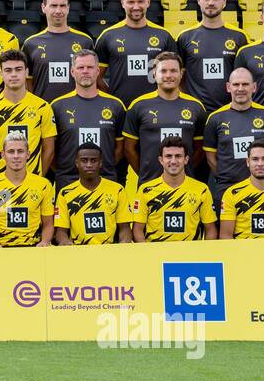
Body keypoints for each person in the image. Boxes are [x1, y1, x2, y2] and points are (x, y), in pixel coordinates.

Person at [203, 66, 264, 211]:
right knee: (225, 232)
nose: (240, 88)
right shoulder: (215, 118)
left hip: (261, 188)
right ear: (228, 87)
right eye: (236, 84)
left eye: (245, 84)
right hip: (227, 188)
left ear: (254, 87)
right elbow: (210, 158)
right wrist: (225, 176)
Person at [123, 51, 208, 185]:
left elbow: (200, 148)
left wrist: (185, 168)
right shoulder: (138, 105)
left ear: (181, 74)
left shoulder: (196, 107)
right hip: (149, 185)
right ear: (154, 74)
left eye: (173, 71)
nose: (168, 75)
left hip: (186, 185)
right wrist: (145, 173)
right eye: (163, 71)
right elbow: (129, 148)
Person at [50, 49, 127, 192]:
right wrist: (67, 169)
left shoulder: (115, 105)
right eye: (80, 68)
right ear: (72, 72)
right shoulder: (57, 106)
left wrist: (101, 168)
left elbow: (120, 148)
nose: (85, 71)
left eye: (90, 67)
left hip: (105, 182)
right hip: (68, 183)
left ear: (98, 71)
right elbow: (50, 150)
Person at [94, 0, 177, 110]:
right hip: (120, 109)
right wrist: (111, 95)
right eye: (131, 2)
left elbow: (177, 75)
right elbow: (95, 75)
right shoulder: (108, 35)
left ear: (148, 2)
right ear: (122, 3)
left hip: (157, 109)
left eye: (140, 2)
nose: (136, 6)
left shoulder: (164, 35)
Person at [0, 50, 56, 178]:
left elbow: (49, 149)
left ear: (27, 72)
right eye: (8, 70)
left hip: (33, 184)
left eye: (18, 69)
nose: (13, 74)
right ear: (1, 73)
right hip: (0, 186)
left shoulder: (42, 107)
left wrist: (38, 177)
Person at [176, 0, 250, 113]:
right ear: (199, 0)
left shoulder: (239, 37)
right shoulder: (185, 37)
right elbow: (180, 77)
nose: (211, 3)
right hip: (196, 112)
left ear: (224, 1)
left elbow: (245, 78)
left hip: (231, 112)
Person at [131, 137, 217, 242]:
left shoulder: (202, 189)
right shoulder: (145, 190)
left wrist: (203, 255)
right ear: (161, 160)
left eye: (178, 156)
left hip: (190, 256)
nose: (173, 161)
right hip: (156, 256)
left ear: (186, 160)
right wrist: (148, 255)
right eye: (168, 156)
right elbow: (137, 230)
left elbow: (210, 229)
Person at [0, 133, 54, 248]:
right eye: (11, 151)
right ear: (3, 155)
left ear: (28, 154)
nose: (16, 156)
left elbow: (48, 224)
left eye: (20, 151)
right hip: (0, 249)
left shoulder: (44, 185)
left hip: (33, 248)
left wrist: (45, 241)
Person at [22, 0, 95, 103]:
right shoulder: (31, 44)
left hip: (77, 110)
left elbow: (92, 79)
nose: (58, 11)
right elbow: (27, 83)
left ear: (68, 8)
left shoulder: (85, 41)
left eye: (62, 6)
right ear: (43, 7)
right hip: (43, 112)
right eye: (53, 6)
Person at [53, 143, 133, 245]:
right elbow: (61, 231)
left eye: (94, 160)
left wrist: (124, 242)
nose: (89, 165)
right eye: (84, 160)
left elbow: (125, 228)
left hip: (109, 253)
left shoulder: (117, 190)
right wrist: (64, 241)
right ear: (77, 163)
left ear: (100, 163)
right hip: (78, 254)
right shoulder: (65, 193)